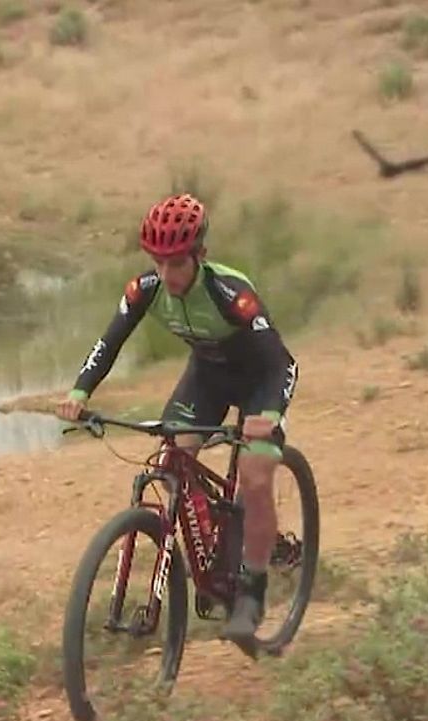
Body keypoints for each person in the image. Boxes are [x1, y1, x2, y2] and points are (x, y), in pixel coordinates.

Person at [56, 193, 299, 658]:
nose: (167, 275)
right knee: (172, 461)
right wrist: (79, 393)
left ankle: (251, 592)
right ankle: (218, 555)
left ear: (200, 255)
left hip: (259, 382)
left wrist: (267, 417)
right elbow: (108, 343)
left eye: (176, 264)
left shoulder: (232, 294)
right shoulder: (145, 288)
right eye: (158, 262)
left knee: (254, 473)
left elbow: (279, 361)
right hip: (206, 378)